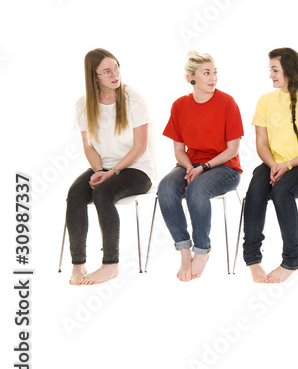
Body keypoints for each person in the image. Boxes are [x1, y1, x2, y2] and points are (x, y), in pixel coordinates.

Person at [66, 49, 154, 285]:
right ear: (94, 76)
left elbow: (140, 146)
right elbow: (88, 146)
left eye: (116, 67)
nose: (115, 74)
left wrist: (111, 173)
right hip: (102, 166)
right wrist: (98, 172)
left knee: (103, 192)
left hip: (137, 169)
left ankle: (110, 265)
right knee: (75, 194)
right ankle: (78, 264)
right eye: (106, 71)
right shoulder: (83, 104)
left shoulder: (134, 99)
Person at [243, 48, 298, 283]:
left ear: (289, 70)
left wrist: (287, 166)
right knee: (255, 192)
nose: (270, 75)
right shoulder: (265, 101)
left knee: (282, 191)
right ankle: (252, 259)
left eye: (274, 70)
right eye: (270, 69)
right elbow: (261, 142)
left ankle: (291, 261)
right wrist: (273, 165)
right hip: (272, 163)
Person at [157, 51, 243, 282]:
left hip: (224, 167)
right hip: (190, 164)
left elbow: (232, 150)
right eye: (207, 73)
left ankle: (202, 251)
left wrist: (203, 168)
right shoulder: (179, 105)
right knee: (165, 187)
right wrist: (189, 168)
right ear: (190, 78)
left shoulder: (227, 102)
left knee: (197, 190)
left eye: (215, 72)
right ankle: (184, 250)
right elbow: (178, 150)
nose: (213, 77)